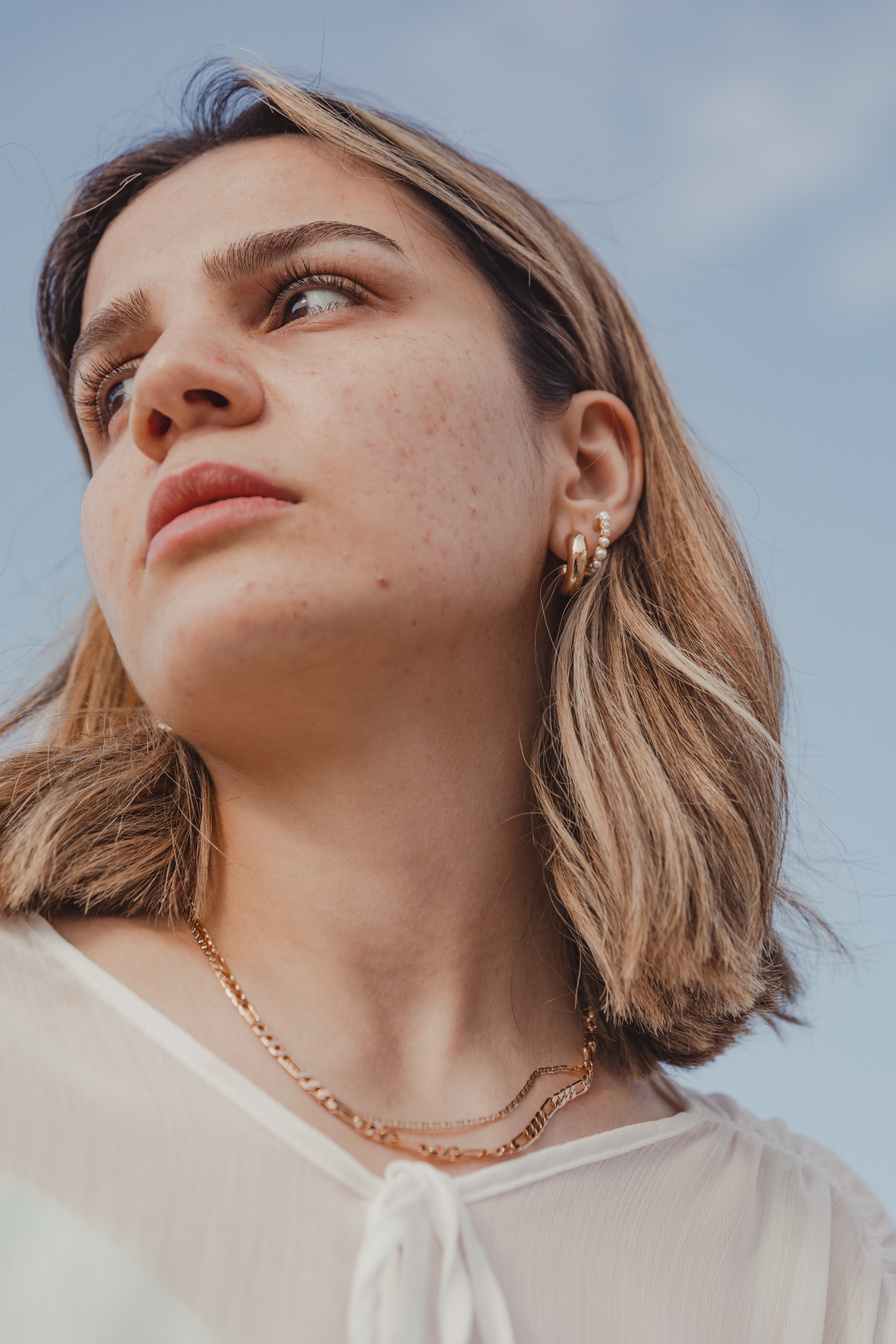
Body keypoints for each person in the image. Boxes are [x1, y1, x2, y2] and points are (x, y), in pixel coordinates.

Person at [0, 59, 892, 1344]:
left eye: (307, 296)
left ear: (583, 466)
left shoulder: (810, 1273)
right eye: (108, 385)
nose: (166, 393)